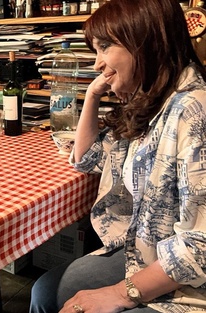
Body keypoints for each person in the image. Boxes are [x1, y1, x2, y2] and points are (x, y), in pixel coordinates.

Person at [30, 0, 206, 312]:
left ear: (147, 39)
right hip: (147, 252)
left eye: (105, 46)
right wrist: (92, 95)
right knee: (46, 291)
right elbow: (85, 158)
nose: (97, 63)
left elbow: (200, 248)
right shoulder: (151, 99)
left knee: (55, 295)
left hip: (191, 287)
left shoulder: (193, 110)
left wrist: (121, 294)